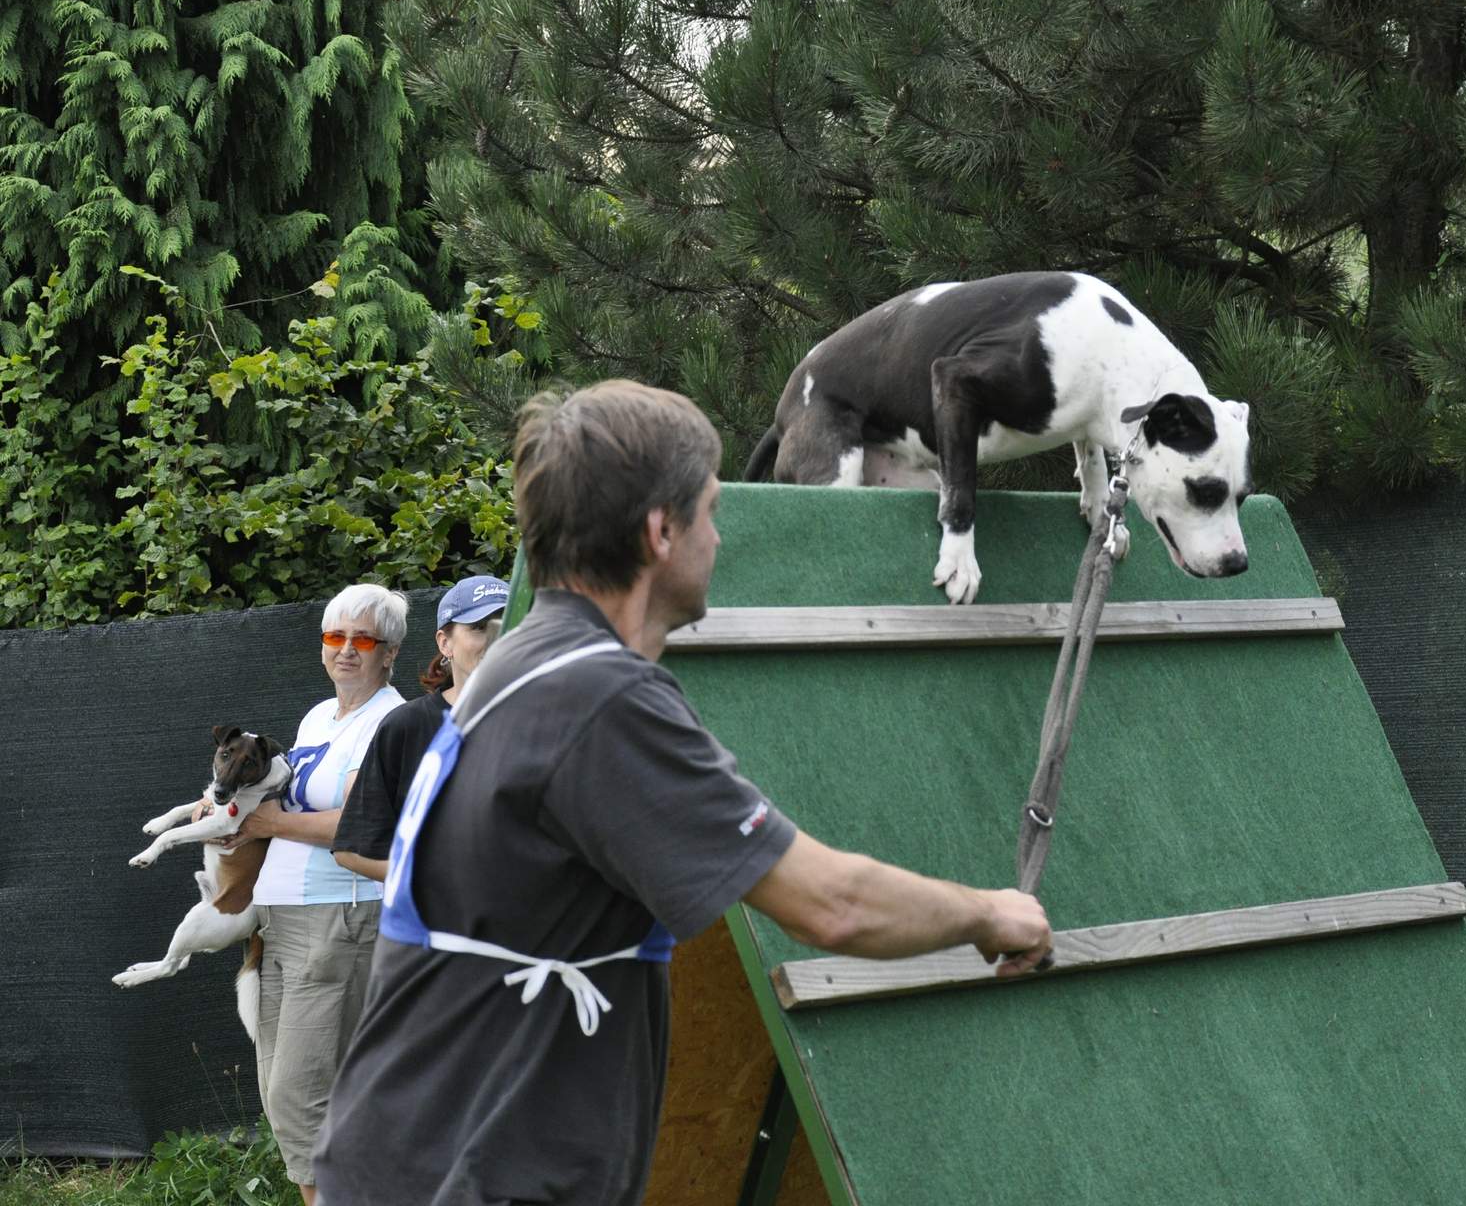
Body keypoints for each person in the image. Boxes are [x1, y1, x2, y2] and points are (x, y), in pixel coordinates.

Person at [312, 380, 1051, 1205]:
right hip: (466, 1176)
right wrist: (991, 914)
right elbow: (833, 905)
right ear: (661, 532)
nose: (721, 535)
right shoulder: (600, 699)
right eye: (709, 509)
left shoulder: (527, 660)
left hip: (416, 1154)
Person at [237, 582, 404, 1204]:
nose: (348, 651)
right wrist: (228, 806)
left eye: (364, 640)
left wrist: (267, 823)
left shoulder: (389, 720)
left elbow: (358, 822)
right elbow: (277, 796)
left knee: (302, 1094)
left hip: (340, 918)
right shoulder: (317, 717)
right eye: (337, 637)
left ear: (390, 653)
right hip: (282, 919)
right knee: (279, 1089)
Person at [331, 575, 510, 883]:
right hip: (438, 927)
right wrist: (437, 884)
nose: (495, 639)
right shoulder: (406, 727)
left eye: (506, 626)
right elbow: (353, 848)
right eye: (479, 628)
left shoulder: (549, 722)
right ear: (445, 642)